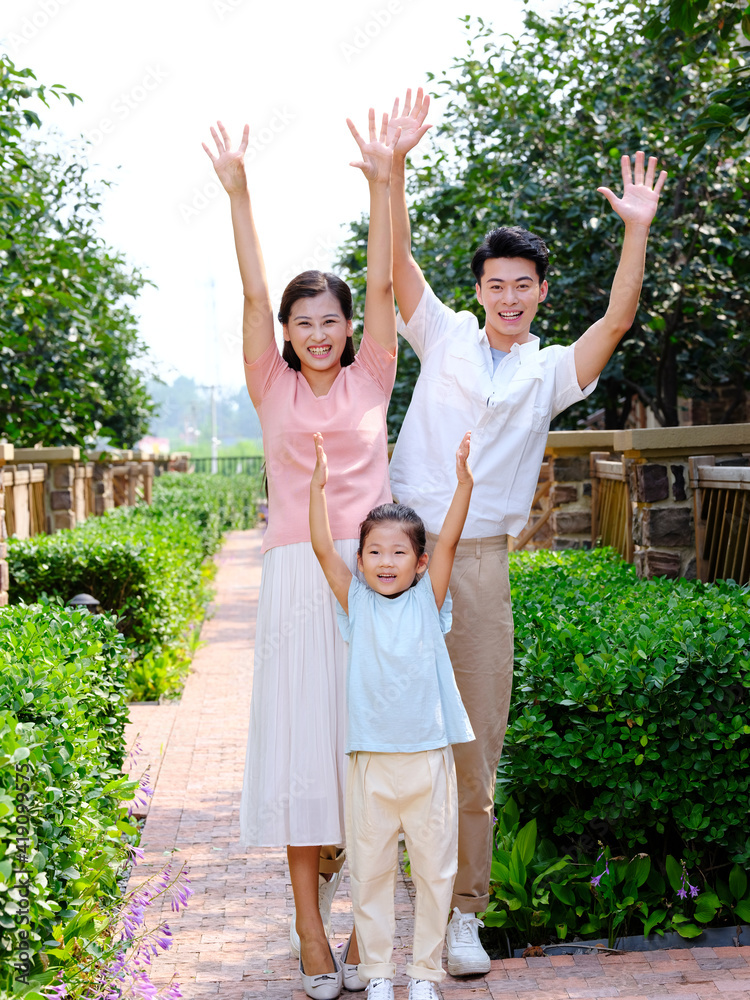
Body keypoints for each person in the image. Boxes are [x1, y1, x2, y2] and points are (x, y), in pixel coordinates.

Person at [385, 88, 668, 976]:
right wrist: (391, 173)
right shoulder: (443, 337)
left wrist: (637, 228)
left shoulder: (550, 371)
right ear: (479, 291)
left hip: (475, 566)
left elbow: (617, 321)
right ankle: (362, 903)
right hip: (393, 554)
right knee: (377, 730)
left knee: (474, 741)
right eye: (494, 285)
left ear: (541, 294)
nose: (508, 298)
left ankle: (464, 913)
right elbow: (394, 274)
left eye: (523, 286)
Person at [202, 110, 400, 999]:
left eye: (332, 320)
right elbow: (248, 294)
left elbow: (391, 286)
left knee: (367, 752)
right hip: (292, 582)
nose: (318, 333)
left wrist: (381, 184)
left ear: (350, 326)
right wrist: (240, 193)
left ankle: (365, 922)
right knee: (300, 755)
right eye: (303, 321)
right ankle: (312, 930)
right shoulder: (269, 384)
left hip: (370, 583)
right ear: (286, 331)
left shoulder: (373, 377)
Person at [309, 428, 475, 1000]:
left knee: (435, 874)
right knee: (370, 876)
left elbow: (451, 542)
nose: (385, 561)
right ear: (362, 559)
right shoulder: (355, 602)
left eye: (399, 551)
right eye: (375, 551)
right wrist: (318, 487)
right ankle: (379, 973)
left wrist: (463, 485)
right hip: (371, 764)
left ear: (418, 561)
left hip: (428, 759)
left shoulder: (429, 602)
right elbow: (321, 548)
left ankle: (425, 975)